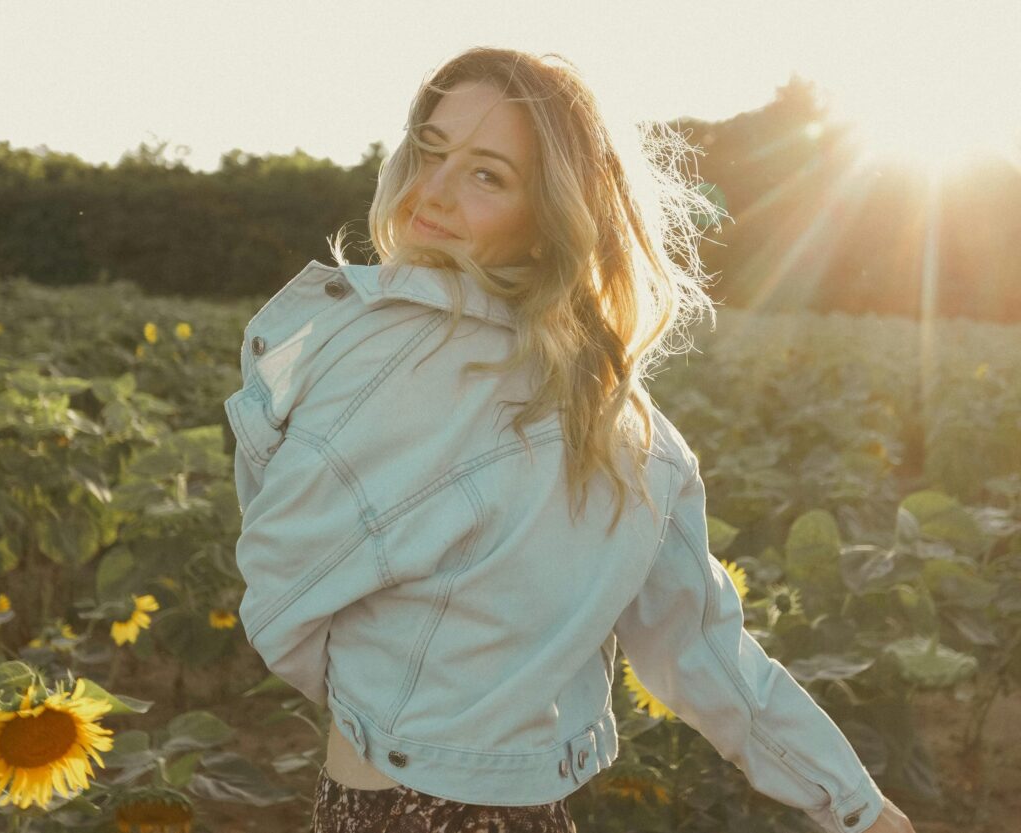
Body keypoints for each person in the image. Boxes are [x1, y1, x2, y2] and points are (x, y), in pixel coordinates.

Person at [224, 47, 919, 833]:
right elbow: (707, 660)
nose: (432, 190)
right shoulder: (635, 434)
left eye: (487, 175)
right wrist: (859, 807)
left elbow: (279, 594)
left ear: (545, 219)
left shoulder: (378, 355)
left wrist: (373, 702)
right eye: (430, 149)